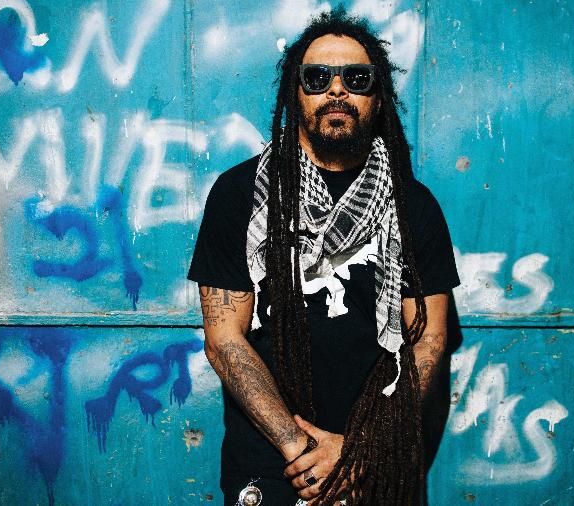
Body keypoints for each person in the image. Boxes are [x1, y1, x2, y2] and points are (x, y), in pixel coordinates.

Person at [188, 9, 460, 505]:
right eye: (317, 78)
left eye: (356, 78)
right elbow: (225, 342)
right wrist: (303, 448)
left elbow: (430, 339)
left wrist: (359, 449)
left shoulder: (413, 206)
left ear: (378, 97)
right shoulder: (239, 195)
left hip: (374, 465)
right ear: (296, 93)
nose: (336, 90)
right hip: (275, 464)